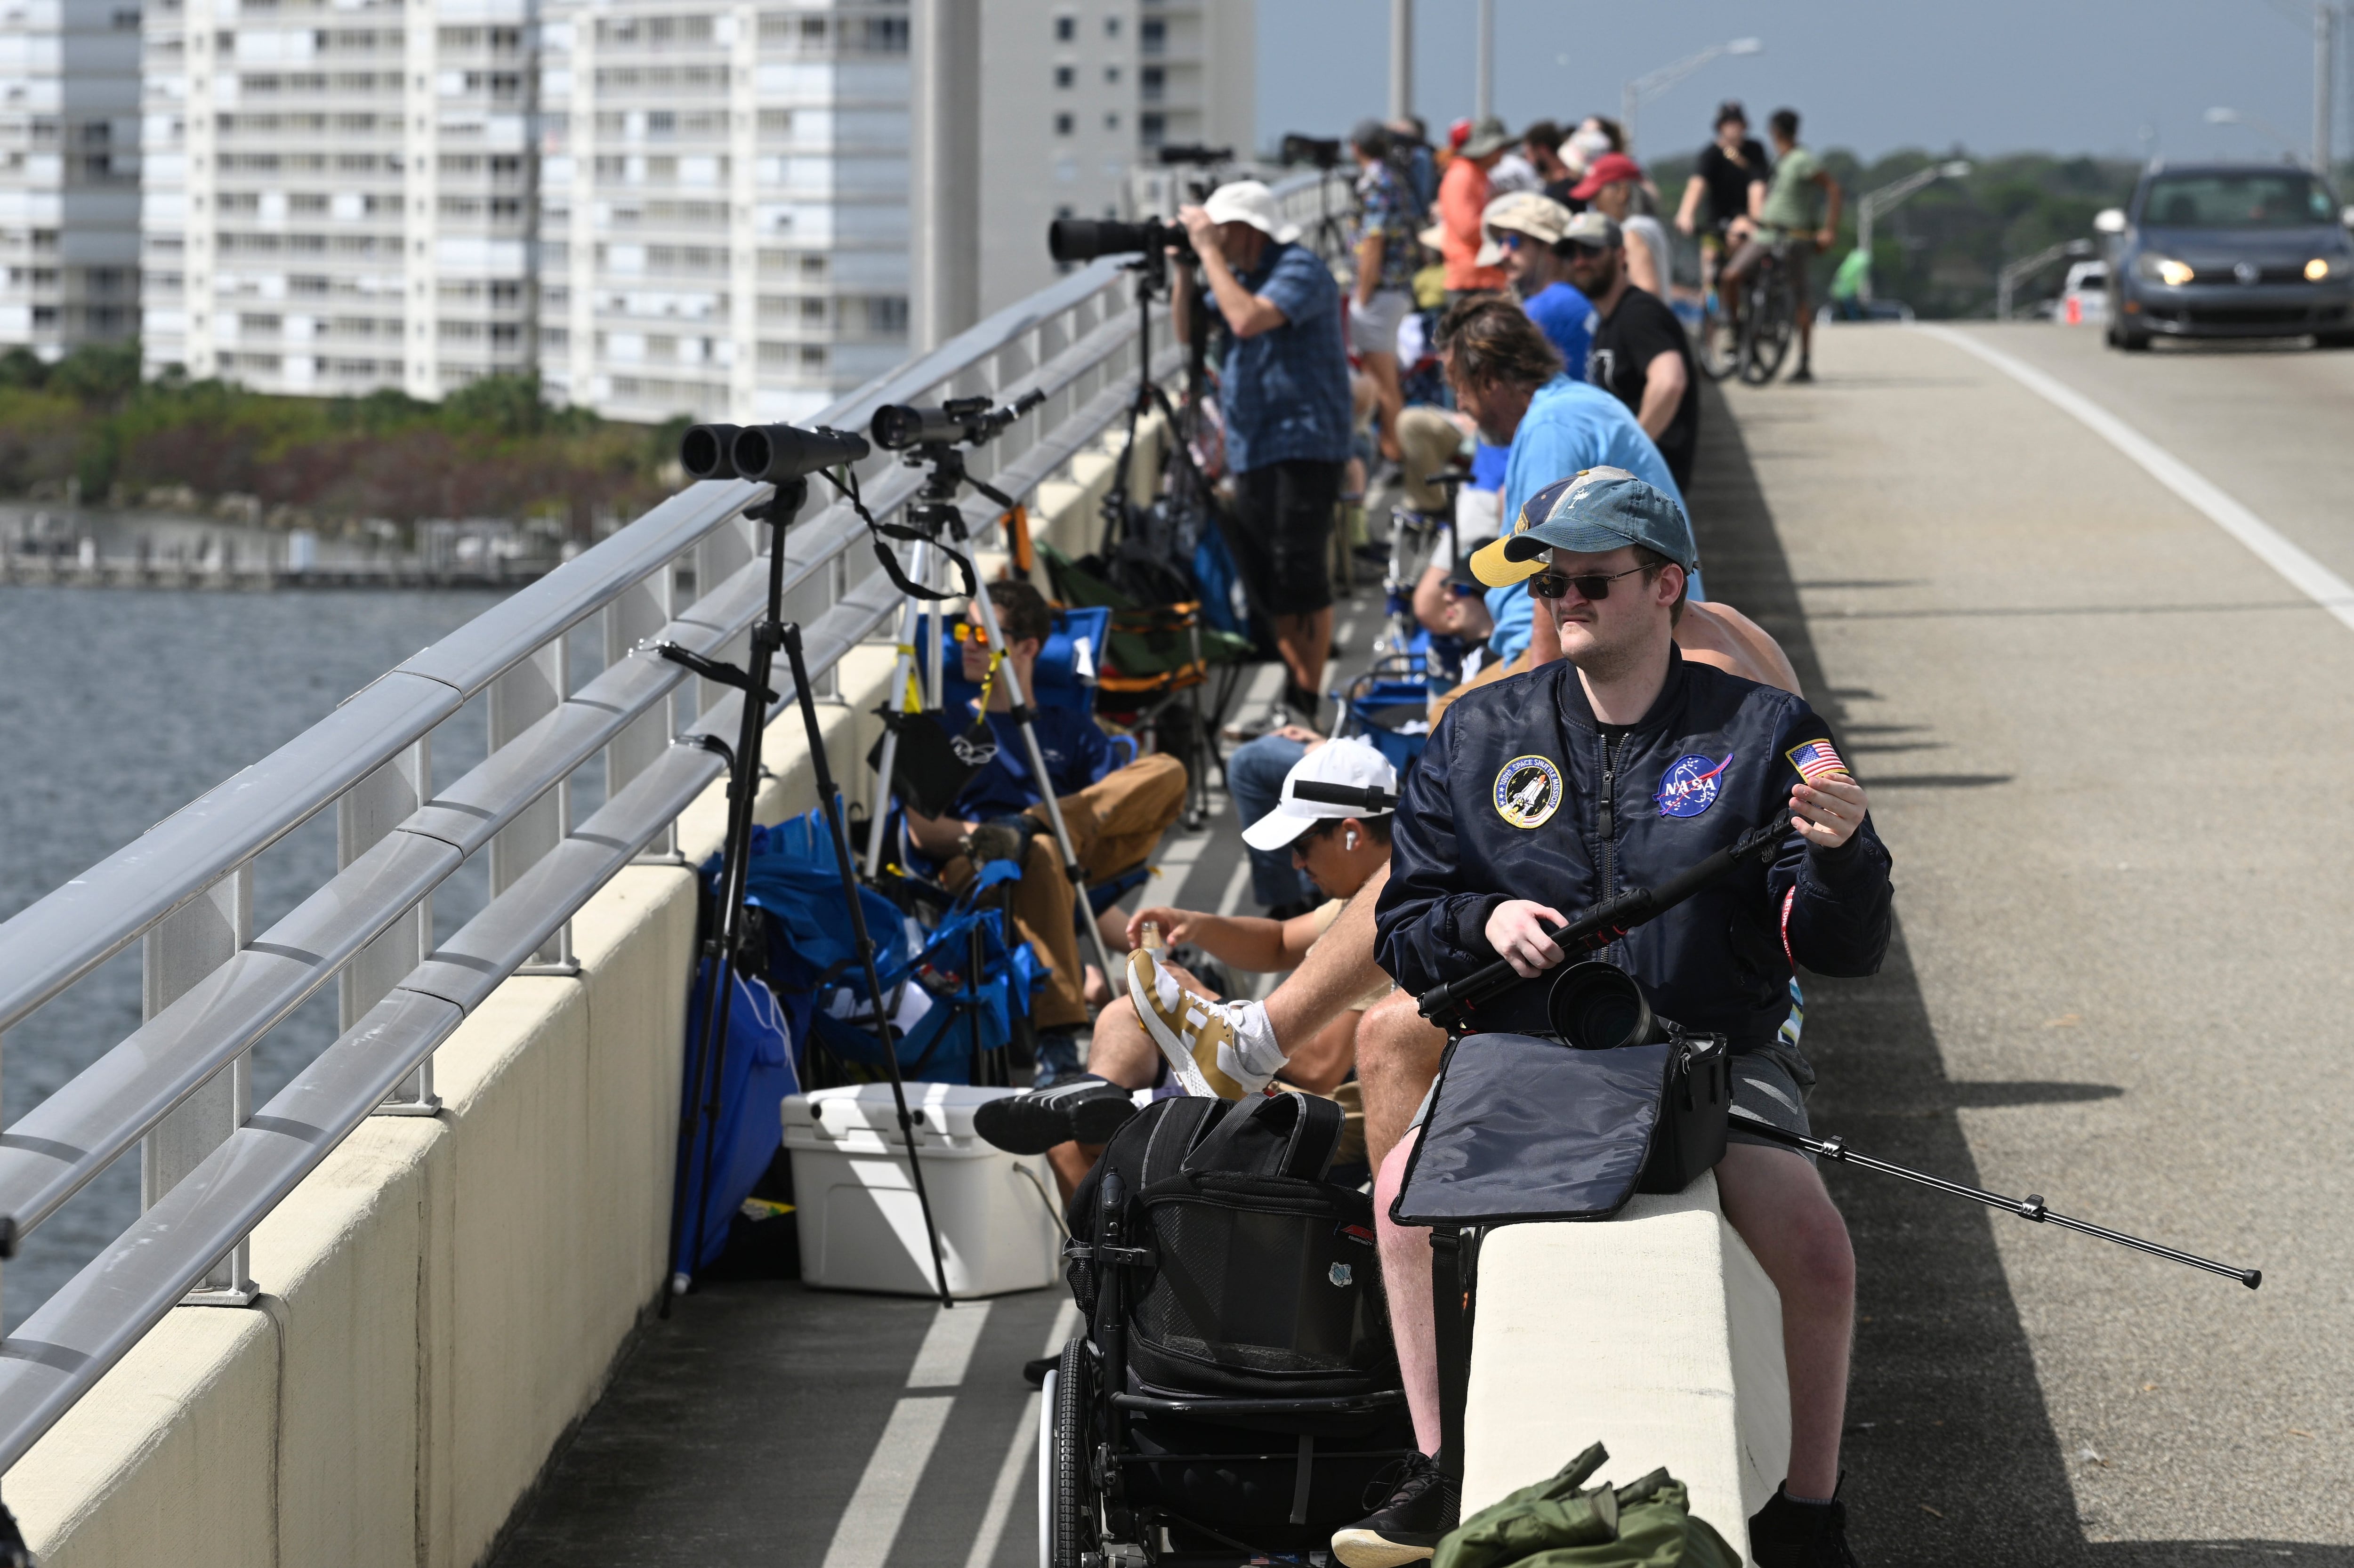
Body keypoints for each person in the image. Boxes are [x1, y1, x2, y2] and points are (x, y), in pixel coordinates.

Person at [1332, 469, 1893, 1568]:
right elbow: (1407, 922)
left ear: (1666, 585)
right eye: (1552, 579)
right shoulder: (1474, 732)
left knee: (1818, 1249)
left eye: (1591, 578)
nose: (1563, 598)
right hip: (1529, 1047)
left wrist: (1842, 854)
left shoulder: (1769, 729)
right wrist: (1486, 923)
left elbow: (1838, 945)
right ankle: (1441, 1471)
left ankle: (1810, 1515)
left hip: (1709, 1054)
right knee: (1401, 1197)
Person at [969, 740, 1399, 1197]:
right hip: (1283, 1092)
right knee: (1123, 1019)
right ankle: (1093, 1099)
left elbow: (1319, 1068)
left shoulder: (1382, 919)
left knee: (1078, 1146)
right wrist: (1195, 924)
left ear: (1351, 834)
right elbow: (1277, 942)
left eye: (1301, 845)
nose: (1295, 862)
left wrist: (1204, 1002)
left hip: (1314, 1122)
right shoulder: (1356, 901)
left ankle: (1095, 1114)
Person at [901, 580, 1188, 1083]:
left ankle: (1030, 826)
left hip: (1069, 854)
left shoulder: (1069, 726)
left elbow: (1115, 811)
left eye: (981, 632)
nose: (965, 642)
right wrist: (991, 833)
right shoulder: (943, 726)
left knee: (1167, 771)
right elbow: (923, 832)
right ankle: (1061, 1028)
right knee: (1041, 848)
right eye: (962, 629)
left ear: (1027, 646)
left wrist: (1034, 823)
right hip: (978, 865)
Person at [1172, 179, 1353, 723]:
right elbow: (1190, 332)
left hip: (1304, 442)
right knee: (1266, 581)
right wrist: (1186, 269)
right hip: (1253, 447)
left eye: (1218, 230)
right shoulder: (1239, 276)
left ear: (1245, 230)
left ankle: (1304, 701)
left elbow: (1245, 319)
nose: (1212, 239)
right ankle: (1292, 696)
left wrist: (1207, 255)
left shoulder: (1299, 269)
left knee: (1298, 574)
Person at [1427, 295, 1688, 668]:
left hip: (1600, 642)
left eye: (1459, 387)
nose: (1461, 405)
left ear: (1487, 380)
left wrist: (1541, 699)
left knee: (1446, 717)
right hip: (1620, 626)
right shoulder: (1567, 403)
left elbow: (1551, 561)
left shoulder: (1551, 428)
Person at [1561, 210, 1701, 492]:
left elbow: (1669, 381)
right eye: (1570, 252)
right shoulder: (1608, 319)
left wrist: (1627, 459)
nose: (1579, 262)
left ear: (1620, 255)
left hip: (1651, 489)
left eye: (1590, 250)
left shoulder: (1639, 313)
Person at [1722, 108, 1843, 383]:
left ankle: (1804, 361)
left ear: (1774, 132)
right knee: (1732, 275)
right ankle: (1737, 329)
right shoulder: (1781, 161)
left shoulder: (1802, 160)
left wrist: (1828, 230)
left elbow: (1833, 189)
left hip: (1793, 238)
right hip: (1765, 234)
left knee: (1800, 297)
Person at [1350, 120, 1419, 463]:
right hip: (1396, 288)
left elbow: (1372, 240)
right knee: (1386, 379)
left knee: (1383, 381)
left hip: (1380, 292)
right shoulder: (1393, 176)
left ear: (1356, 149)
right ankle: (1397, 451)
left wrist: (1361, 296)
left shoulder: (1374, 180)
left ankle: (1397, 455)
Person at [1474, 190, 1596, 372]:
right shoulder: (1571, 296)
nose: (1504, 254)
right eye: (1502, 242)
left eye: (1514, 241)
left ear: (1548, 246)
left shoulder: (1545, 308)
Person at [1676, 99, 1771, 297]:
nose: (1734, 127)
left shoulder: (1755, 151)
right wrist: (1686, 215)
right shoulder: (1711, 154)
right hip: (1717, 223)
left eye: (1737, 122)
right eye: (1729, 123)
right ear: (1720, 126)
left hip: (1745, 221)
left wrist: (1754, 220)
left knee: (1744, 253)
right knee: (1710, 270)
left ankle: (1744, 310)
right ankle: (1711, 315)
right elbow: (1697, 186)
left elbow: (1758, 188)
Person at [1568, 150, 1671, 298]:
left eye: (1596, 195)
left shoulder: (1632, 232)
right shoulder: (1647, 225)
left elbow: (1647, 291)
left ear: (1622, 192)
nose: (1592, 204)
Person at [1437, 117, 1512, 302]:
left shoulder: (1475, 175)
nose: (1503, 153)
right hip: (1472, 279)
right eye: (1500, 148)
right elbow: (1468, 229)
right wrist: (1506, 222)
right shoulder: (1463, 175)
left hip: (1482, 275)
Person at [1521, 120, 1575, 206]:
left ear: (1543, 150)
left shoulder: (1573, 185)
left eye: (1529, 153)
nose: (1528, 160)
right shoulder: (1543, 186)